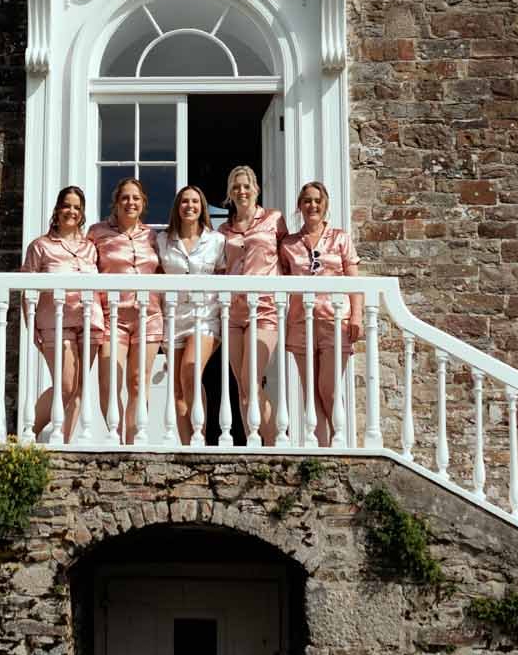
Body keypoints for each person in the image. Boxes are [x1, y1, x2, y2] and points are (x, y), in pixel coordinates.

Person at [282, 180, 363, 447]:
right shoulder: (289, 243)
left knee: (327, 387)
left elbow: (354, 280)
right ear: (299, 206)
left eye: (317, 200)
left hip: (334, 320)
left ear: (325, 204)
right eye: (307, 201)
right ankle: (322, 449)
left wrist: (357, 316)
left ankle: (339, 443)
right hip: (300, 321)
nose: (312, 205)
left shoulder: (341, 238)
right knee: (310, 393)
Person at [87, 178, 161, 444]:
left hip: (148, 317)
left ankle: (134, 441)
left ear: (143, 204)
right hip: (112, 318)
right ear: (116, 203)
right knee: (109, 383)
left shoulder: (152, 236)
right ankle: (113, 439)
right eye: (125, 198)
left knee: (138, 382)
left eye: (136, 198)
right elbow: (83, 265)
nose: (131, 203)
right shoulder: (97, 233)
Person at [22, 185, 97, 441]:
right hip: (55, 322)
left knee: (79, 388)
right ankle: (26, 433)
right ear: (57, 209)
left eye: (77, 207)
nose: (72, 211)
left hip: (89, 321)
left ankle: (63, 443)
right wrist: (30, 328)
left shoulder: (90, 247)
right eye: (67, 205)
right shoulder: (40, 246)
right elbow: (26, 288)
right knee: (65, 386)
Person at [155, 184, 226, 446]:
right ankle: (188, 446)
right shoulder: (163, 240)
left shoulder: (217, 241)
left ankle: (200, 439)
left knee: (190, 372)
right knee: (177, 390)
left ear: (202, 207)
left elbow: (224, 275)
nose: (190, 206)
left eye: (195, 201)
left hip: (204, 317)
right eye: (185, 201)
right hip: (173, 319)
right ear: (177, 207)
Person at [218, 164, 283, 447]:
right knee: (243, 387)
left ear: (256, 188)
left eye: (246, 185)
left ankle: (271, 444)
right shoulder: (224, 229)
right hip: (233, 312)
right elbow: (220, 269)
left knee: (251, 380)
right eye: (236, 187)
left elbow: (290, 257)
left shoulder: (274, 220)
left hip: (265, 308)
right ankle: (252, 444)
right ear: (230, 193)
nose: (241, 191)